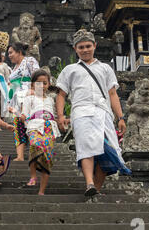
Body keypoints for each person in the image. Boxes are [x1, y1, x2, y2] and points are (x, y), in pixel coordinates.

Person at [55, 29, 132, 197]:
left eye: (88, 46)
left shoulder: (105, 68)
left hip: (103, 112)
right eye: (81, 47)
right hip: (81, 112)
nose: (85, 50)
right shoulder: (70, 70)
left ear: (94, 46)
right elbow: (61, 94)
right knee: (86, 147)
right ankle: (89, 183)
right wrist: (60, 116)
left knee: (105, 150)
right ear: (75, 49)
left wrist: (121, 117)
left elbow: (113, 94)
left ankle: (96, 189)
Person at [20, 69, 60, 195]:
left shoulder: (50, 100)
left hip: (50, 127)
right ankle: (33, 176)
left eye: (45, 83)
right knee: (35, 145)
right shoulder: (29, 99)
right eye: (38, 83)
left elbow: (54, 114)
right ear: (32, 85)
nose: (42, 86)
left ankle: (41, 191)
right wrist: (20, 117)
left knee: (47, 157)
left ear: (48, 84)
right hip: (35, 126)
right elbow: (24, 114)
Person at [7, 42, 40, 161]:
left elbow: (38, 76)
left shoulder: (29, 61)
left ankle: (35, 152)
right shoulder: (13, 68)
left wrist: (36, 92)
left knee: (31, 124)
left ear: (19, 52)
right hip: (16, 100)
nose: (9, 55)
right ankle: (20, 156)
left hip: (28, 97)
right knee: (18, 125)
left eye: (11, 52)